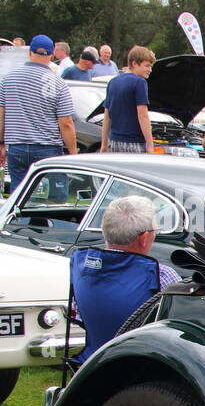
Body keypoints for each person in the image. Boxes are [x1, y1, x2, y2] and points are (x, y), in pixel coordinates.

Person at [69, 195, 180, 363]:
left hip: (93, 362)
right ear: (143, 238)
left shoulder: (82, 268)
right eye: (154, 231)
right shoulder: (161, 275)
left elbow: (75, 314)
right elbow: (180, 325)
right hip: (143, 365)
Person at [0, 34, 78, 190]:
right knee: (54, 199)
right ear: (51, 55)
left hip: (17, 146)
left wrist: (1, 143)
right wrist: (73, 153)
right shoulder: (58, 83)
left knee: (19, 194)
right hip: (48, 148)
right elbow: (66, 123)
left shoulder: (8, 79)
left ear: (30, 52)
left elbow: (1, 115)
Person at [100, 45, 155, 153]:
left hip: (114, 142)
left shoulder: (113, 82)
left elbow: (107, 116)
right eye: (147, 66)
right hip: (134, 143)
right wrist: (149, 145)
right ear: (134, 63)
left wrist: (104, 144)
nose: (150, 70)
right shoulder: (140, 82)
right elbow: (143, 116)